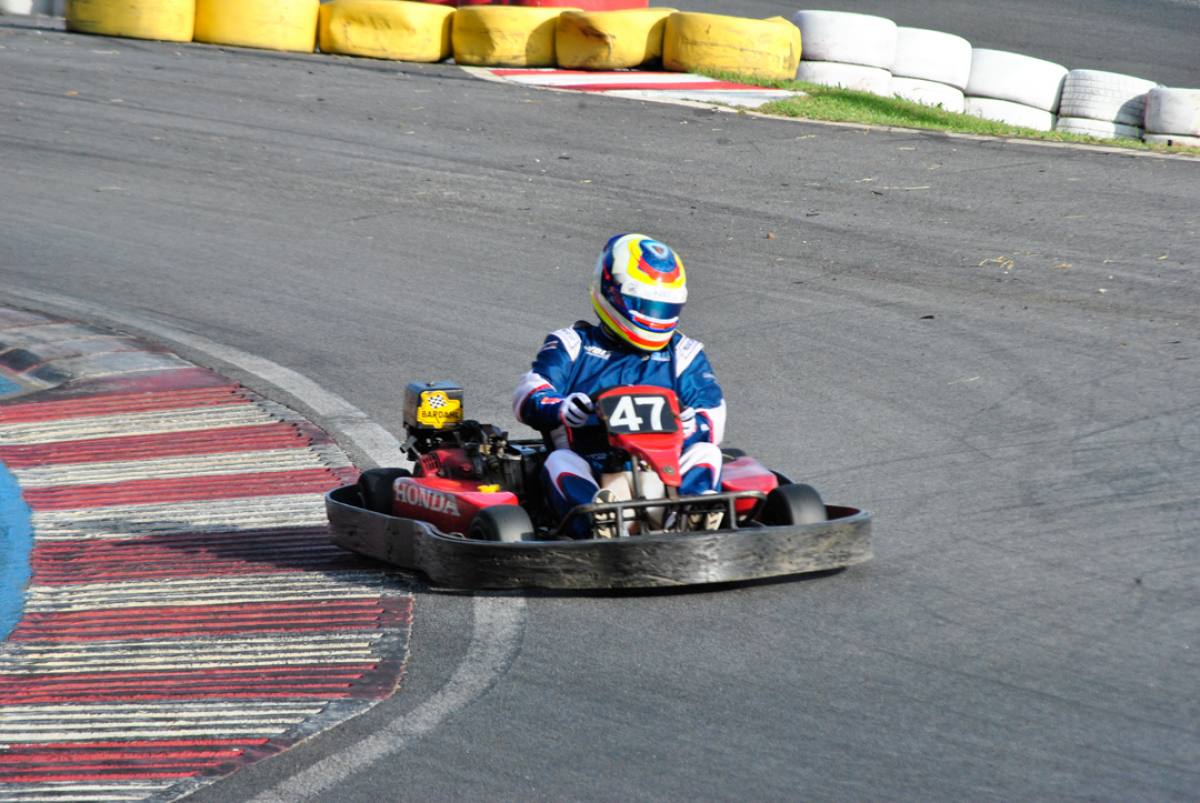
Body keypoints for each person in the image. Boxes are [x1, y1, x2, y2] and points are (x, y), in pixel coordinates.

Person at [512, 233, 726, 536]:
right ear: (611, 292)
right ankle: (599, 520)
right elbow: (528, 392)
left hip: (666, 476)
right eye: (645, 305)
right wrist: (560, 407)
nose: (654, 318)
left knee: (708, 453)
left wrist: (694, 425)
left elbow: (713, 412)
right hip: (594, 470)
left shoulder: (684, 353)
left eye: (664, 308)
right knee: (559, 460)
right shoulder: (573, 345)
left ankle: (691, 513)